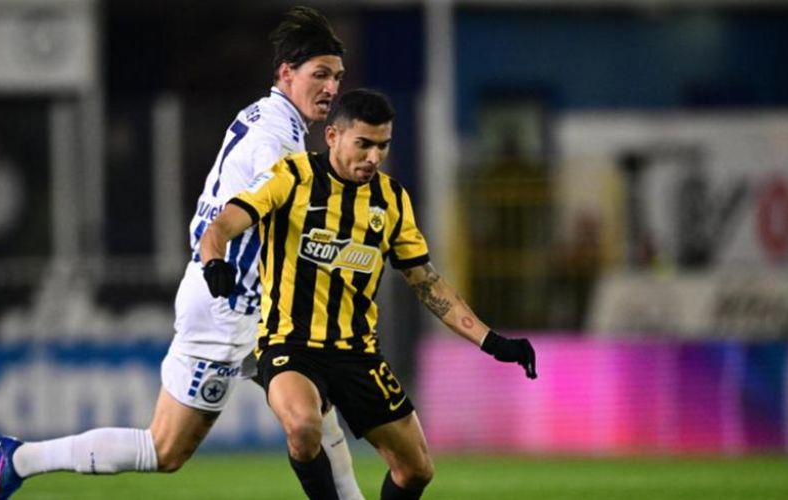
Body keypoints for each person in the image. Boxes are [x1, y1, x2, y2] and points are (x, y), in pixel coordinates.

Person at [0, 7, 364, 500]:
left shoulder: (270, 119)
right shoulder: (275, 142)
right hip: (227, 312)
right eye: (320, 74)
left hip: (264, 310)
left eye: (337, 77)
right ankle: (19, 459)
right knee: (165, 449)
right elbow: (275, 218)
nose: (331, 88)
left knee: (316, 411)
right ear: (287, 73)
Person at [200, 88, 538, 500]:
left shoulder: (391, 199)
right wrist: (214, 263)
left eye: (383, 146)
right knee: (303, 427)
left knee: (416, 470)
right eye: (364, 144)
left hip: (358, 353)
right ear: (332, 136)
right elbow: (221, 226)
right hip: (290, 345)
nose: (374, 157)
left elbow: (426, 282)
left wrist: (492, 341)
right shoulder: (290, 177)